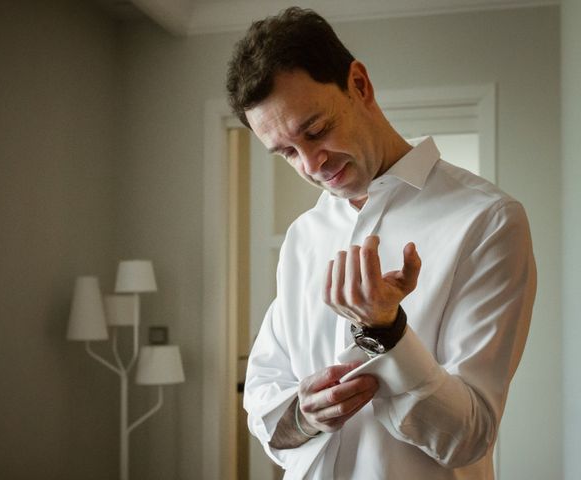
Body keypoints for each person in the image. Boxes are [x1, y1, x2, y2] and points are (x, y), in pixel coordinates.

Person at [226, 7, 536, 479]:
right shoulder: (303, 237)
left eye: (316, 130)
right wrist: (305, 415)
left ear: (359, 84)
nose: (311, 165)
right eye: (288, 152)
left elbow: (470, 436)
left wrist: (386, 331)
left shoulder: (488, 221)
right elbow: (265, 400)